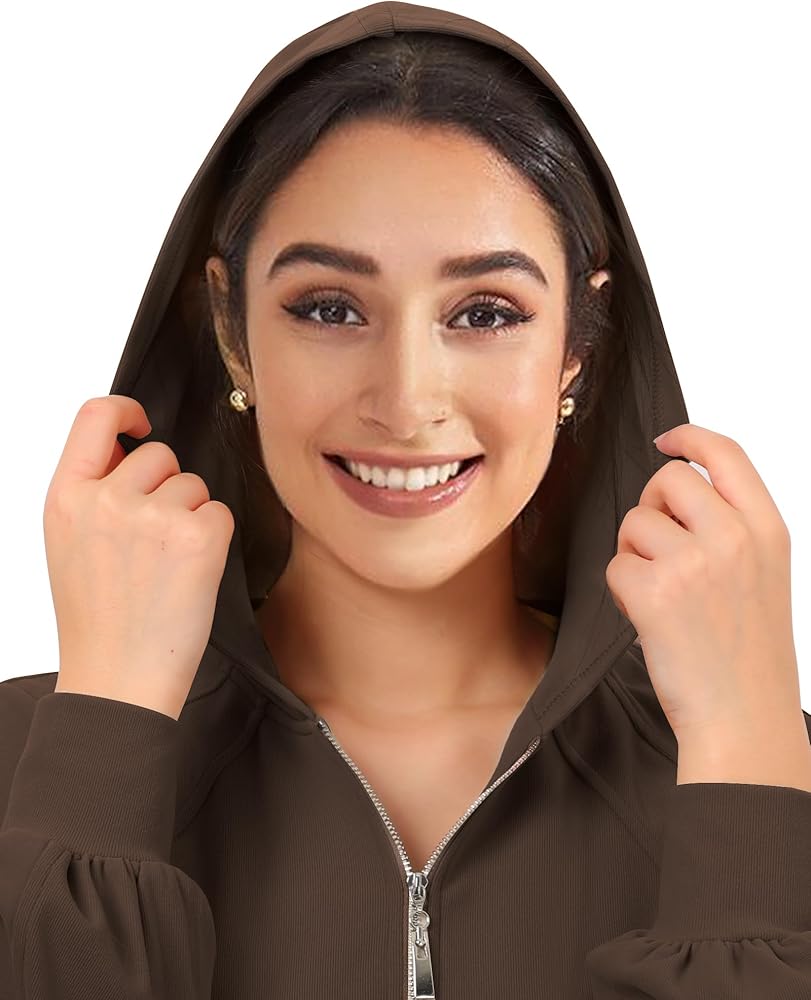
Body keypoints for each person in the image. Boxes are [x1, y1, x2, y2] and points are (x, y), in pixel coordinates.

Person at [1, 3, 810, 998]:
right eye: (329, 307)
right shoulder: (26, 764)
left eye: (486, 313)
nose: (406, 399)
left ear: (576, 346)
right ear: (231, 330)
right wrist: (107, 728)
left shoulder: (761, 769)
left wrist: (746, 759)